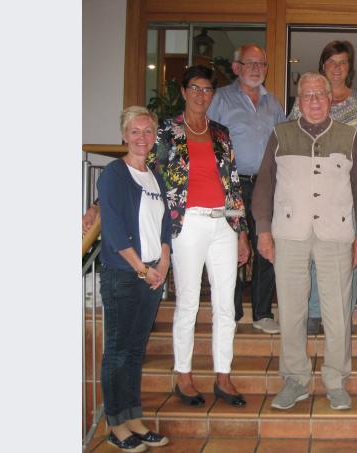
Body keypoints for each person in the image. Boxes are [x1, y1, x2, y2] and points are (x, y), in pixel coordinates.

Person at [252, 72, 357, 411]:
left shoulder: (349, 136)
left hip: (337, 234)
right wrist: (263, 229)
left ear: (330, 98)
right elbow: (264, 186)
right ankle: (295, 379)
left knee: (337, 312)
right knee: (291, 311)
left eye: (321, 94)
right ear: (298, 101)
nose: (316, 100)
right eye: (308, 95)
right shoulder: (280, 134)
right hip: (289, 234)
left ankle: (336, 380)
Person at [149, 65, 250, 408]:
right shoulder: (166, 131)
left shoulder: (221, 133)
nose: (201, 95)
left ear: (213, 95)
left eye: (207, 90)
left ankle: (223, 375)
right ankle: (184, 375)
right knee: (188, 302)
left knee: (225, 304)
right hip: (186, 225)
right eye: (195, 88)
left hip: (223, 225)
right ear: (183, 91)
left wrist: (242, 233)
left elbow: (233, 186)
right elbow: (147, 172)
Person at [288, 40, 357, 335]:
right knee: (313, 254)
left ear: (349, 67)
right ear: (322, 66)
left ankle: (339, 315)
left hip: (346, 196)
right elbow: (291, 141)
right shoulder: (304, 101)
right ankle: (314, 313)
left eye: (342, 62)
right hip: (310, 194)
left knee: (346, 257)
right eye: (331, 63)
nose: (337, 68)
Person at [98, 106, 171, 451]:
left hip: (152, 275)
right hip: (125, 274)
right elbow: (113, 229)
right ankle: (115, 424)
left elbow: (165, 226)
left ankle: (134, 417)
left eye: (148, 131)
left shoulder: (155, 175)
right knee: (117, 351)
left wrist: (164, 264)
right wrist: (141, 269)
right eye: (135, 131)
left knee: (135, 350)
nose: (142, 137)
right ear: (124, 135)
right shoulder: (114, 173)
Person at [207, 44, 286, 333]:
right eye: (250, 63)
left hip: (266, 186)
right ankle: (232, 311)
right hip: (231, 185)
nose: (256, 69)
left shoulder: (272, 103)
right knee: (230, 247)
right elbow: (208, 141)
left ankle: (263, 313)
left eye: (261, 64)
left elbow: (283, 143)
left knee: (267, 246)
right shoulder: (220, 100)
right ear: (236, 67)